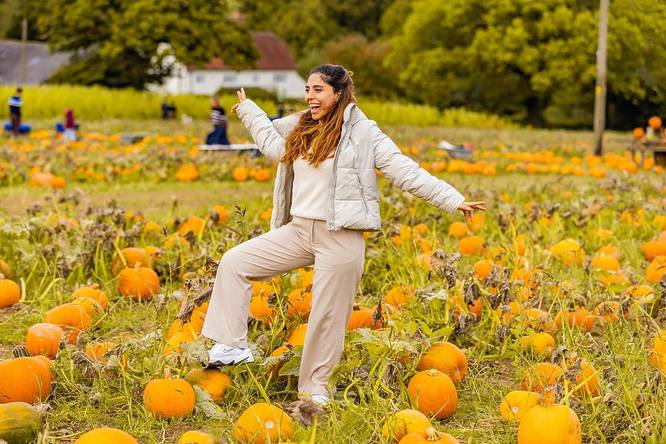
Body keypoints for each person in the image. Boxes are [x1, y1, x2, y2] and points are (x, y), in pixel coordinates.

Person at [200, 64, 486, 406]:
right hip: (299, 229)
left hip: (341, 235)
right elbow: (274, 147)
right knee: (235, 261)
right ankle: (231, 345)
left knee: (326, 315)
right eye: (307, 89)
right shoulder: (300, 127)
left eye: (318, 90)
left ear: (338, 94)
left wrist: (454, 200)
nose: (310, 97)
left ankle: (314, 391)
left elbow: (404, 170)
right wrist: (249, 111)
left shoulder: (364, 134)